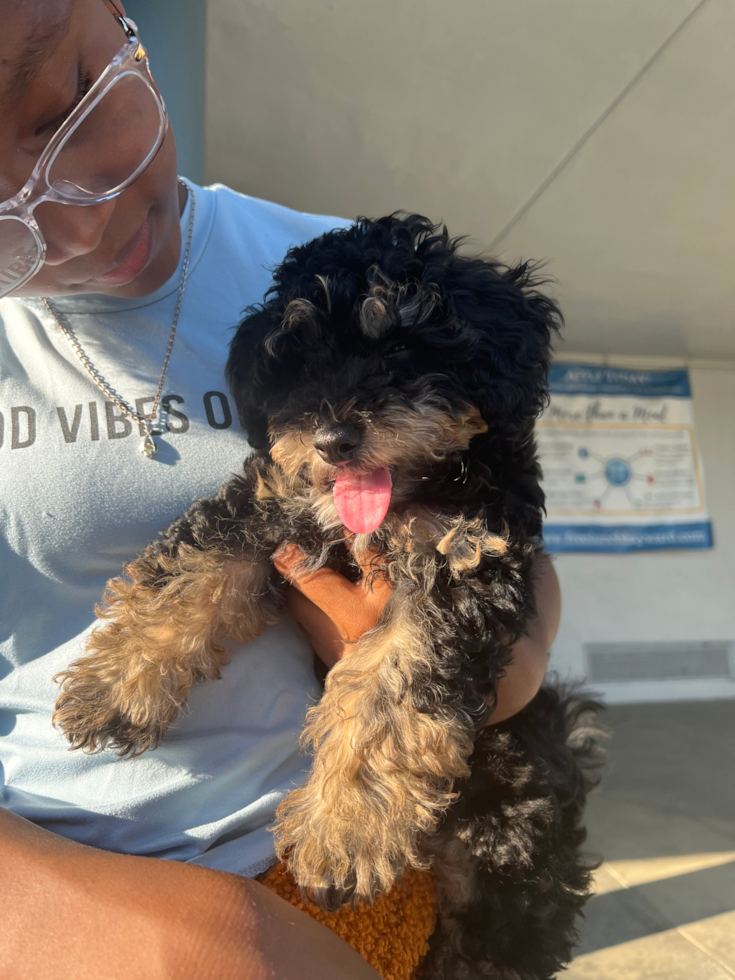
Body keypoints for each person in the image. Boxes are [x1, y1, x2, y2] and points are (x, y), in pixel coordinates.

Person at [0, 1, 559, 977]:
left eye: (69, 108)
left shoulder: (344, 268)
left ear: (122, 25)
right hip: (47, 869)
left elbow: (518, 593)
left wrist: (438, 664)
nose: (77, 218)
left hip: (319, 859)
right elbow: (238, 528)